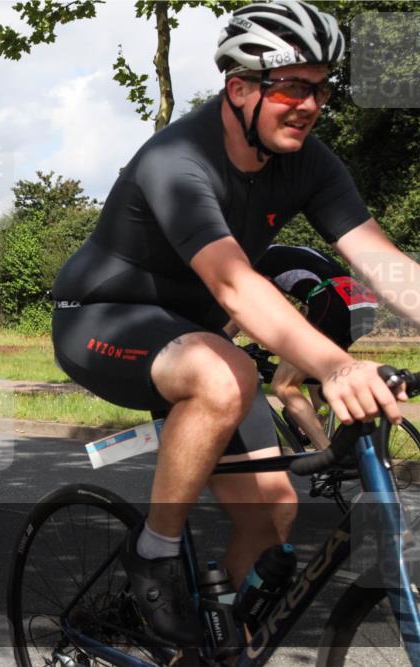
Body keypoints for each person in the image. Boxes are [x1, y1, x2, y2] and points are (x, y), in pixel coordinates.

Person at [50, 0, 419, 646]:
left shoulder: (309, 161)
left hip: (196, 337)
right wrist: (334, 364)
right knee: (226, 374)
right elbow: (233, 284)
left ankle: (199, 646)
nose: (309, 104)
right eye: (291, 87)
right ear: (240, 88)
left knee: (275, 510)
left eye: (321, 89)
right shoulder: (177, 161)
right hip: (101, 318)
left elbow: (382, 263)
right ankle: (154, 555)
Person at [253, 245, 378, 449]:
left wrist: (222, 339)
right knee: (315, 373)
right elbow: (302, 313)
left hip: (332, 301)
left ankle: (328, 455)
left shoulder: (251, 260)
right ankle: (338, 438)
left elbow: (259, 309)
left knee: (284, 385)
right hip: (363, 302)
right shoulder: (292, 251)